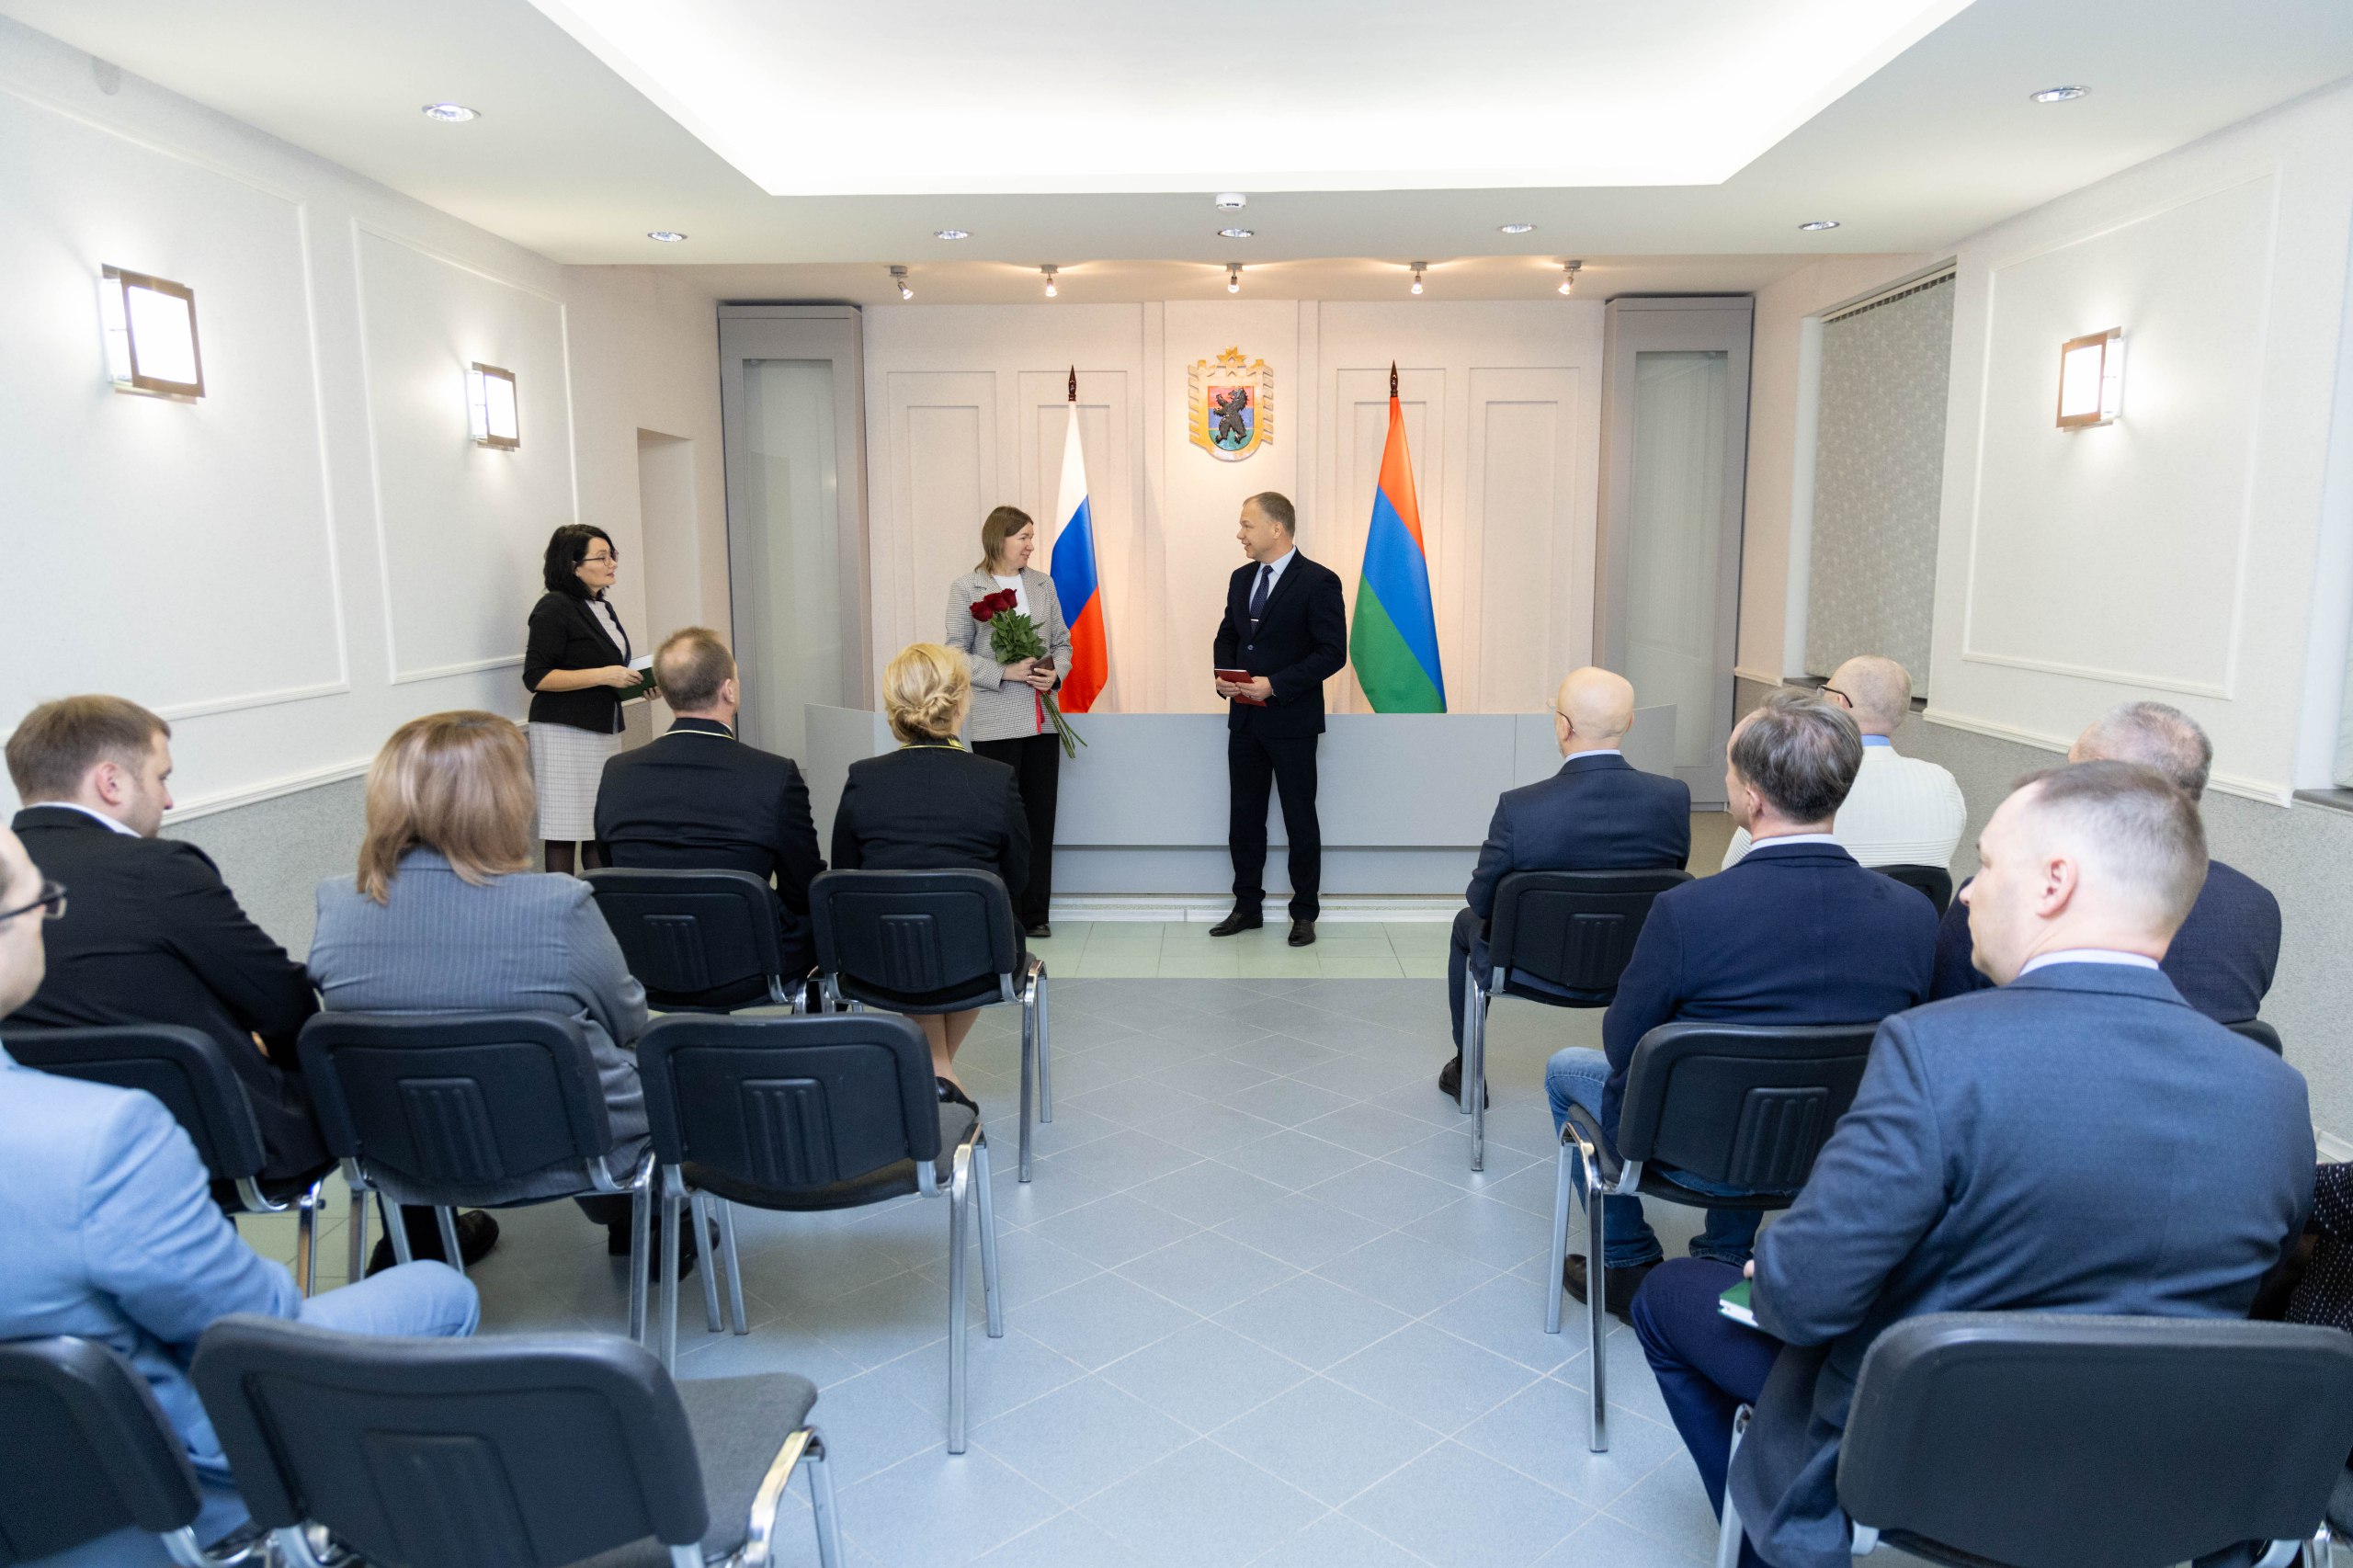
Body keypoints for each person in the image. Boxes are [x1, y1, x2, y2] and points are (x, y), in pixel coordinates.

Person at [1631, 761, 2313, 1568]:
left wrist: (1775, 1266)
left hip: (1936, 1457)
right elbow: (2253, 1291)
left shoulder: (1938, 1053)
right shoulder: (2275, 1094)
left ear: (2055, 882)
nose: (1965, 895)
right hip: (2167, 1474)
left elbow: (1805, 1300)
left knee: (1668, 1296)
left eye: (1987, 865)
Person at [0, 821, 480, 1568]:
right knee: (440, 1291)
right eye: (43, 903)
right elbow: (257, 1328)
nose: (48, 920)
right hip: (168, 1474)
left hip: (33, 1498)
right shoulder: (102, 1138)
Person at [1548, 691, 1938, 1318]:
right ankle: (1726, 1257)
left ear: (1751, 798)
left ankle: (1623, 1259)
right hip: (1842, 1151)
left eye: (1729, 773)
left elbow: (1624, 1045)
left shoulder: (1688, 912)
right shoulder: (1914, 914)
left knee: (1566, 1069)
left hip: (1696, 1153)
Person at [307, 711, 675, 1273]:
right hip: (571, 1142)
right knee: (650, 1061)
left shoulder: (338, 906)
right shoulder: (558, 906)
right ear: (503, 800)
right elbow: (629, 1022)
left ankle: (420, 1244)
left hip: (405, 1145)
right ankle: (643, 1223)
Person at [4, 696, 331, 1188]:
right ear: (111, 782)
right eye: (161, 777)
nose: (169, 800)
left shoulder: (8, 878)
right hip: (211, 1146)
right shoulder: (160, 869)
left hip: (39, 1155)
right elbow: (281, 1003)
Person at [1930, 699, 2280, 1022]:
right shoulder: (2254, 907)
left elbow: (1941, 1025)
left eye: (2069, 770)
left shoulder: (1999, 895)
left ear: (2097, 776)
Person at [1437, 667, 1690, 1102]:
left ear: (1563, 726)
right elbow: (1667, 890)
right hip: (1636, 966)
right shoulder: (1672, 799)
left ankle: (1467, 1070)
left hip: (1532, 969)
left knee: (1466, 924)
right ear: (1629, 723)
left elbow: (1481, 901)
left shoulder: (1520, 808)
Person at [831, 643, 1028, 1098]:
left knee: (908, 929)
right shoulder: (996, 779)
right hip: (979, 956)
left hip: (882, 953)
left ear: (894, 706)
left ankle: (932, 1071)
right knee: (959, 932)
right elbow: (1017, 880)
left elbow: (847, 877)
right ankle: (938, 1072)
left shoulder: (863, 778)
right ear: (961, 702)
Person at [596, 628, 824, 983]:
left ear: (666, 691)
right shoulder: (773, 774)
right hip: (748, 966)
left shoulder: (618, 773)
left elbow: (612, 868)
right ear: (728, 690)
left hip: (647, 961)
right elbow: (802, 886)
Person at [1210, 491, 1348, 948]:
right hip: (1245, 721)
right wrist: (1223, 676)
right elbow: (1228, 636)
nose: (1240, 534)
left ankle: (1304, 912)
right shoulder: (1240, 578)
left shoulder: (1319, 581)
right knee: (1244, 819)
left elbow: (1332, 653)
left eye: (1247, 524)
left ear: (1276, 528)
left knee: (1299, 819)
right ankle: (1246, 906)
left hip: (1292, 722)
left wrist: (1276, 684)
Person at [944, 505, 1073, 938]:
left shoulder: (1043, 584)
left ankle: (1036, 914)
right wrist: (1003, 672)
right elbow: (955, 653)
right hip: (995, 722)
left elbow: (1063, 643)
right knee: (999, 821)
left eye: (1032, 537)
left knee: (1040, 819)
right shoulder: (967, 587)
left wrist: (1057, 673)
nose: (1031, 545)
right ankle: (1003, 913)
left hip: (1043, 721)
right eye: (1024, 537)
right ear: (999, 539)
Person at [1720, 656, 1963, 871]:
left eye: (1824, 691)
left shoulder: (1805, 779)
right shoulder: (1942, 784)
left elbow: (1734, 870)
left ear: (1840, 703)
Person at [523, 523, 640, 875]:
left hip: (601, 727)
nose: (612, 563)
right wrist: (604, 675)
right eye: (601, 557)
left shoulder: (601, 606)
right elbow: (537, 677)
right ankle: (562, 904)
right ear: (573, 566)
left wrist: (637, 684)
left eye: (612, 555)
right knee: (564, 829)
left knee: (596, 827)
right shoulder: (553, 607)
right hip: (564, 730)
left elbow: (606, 667)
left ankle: (600, 901)